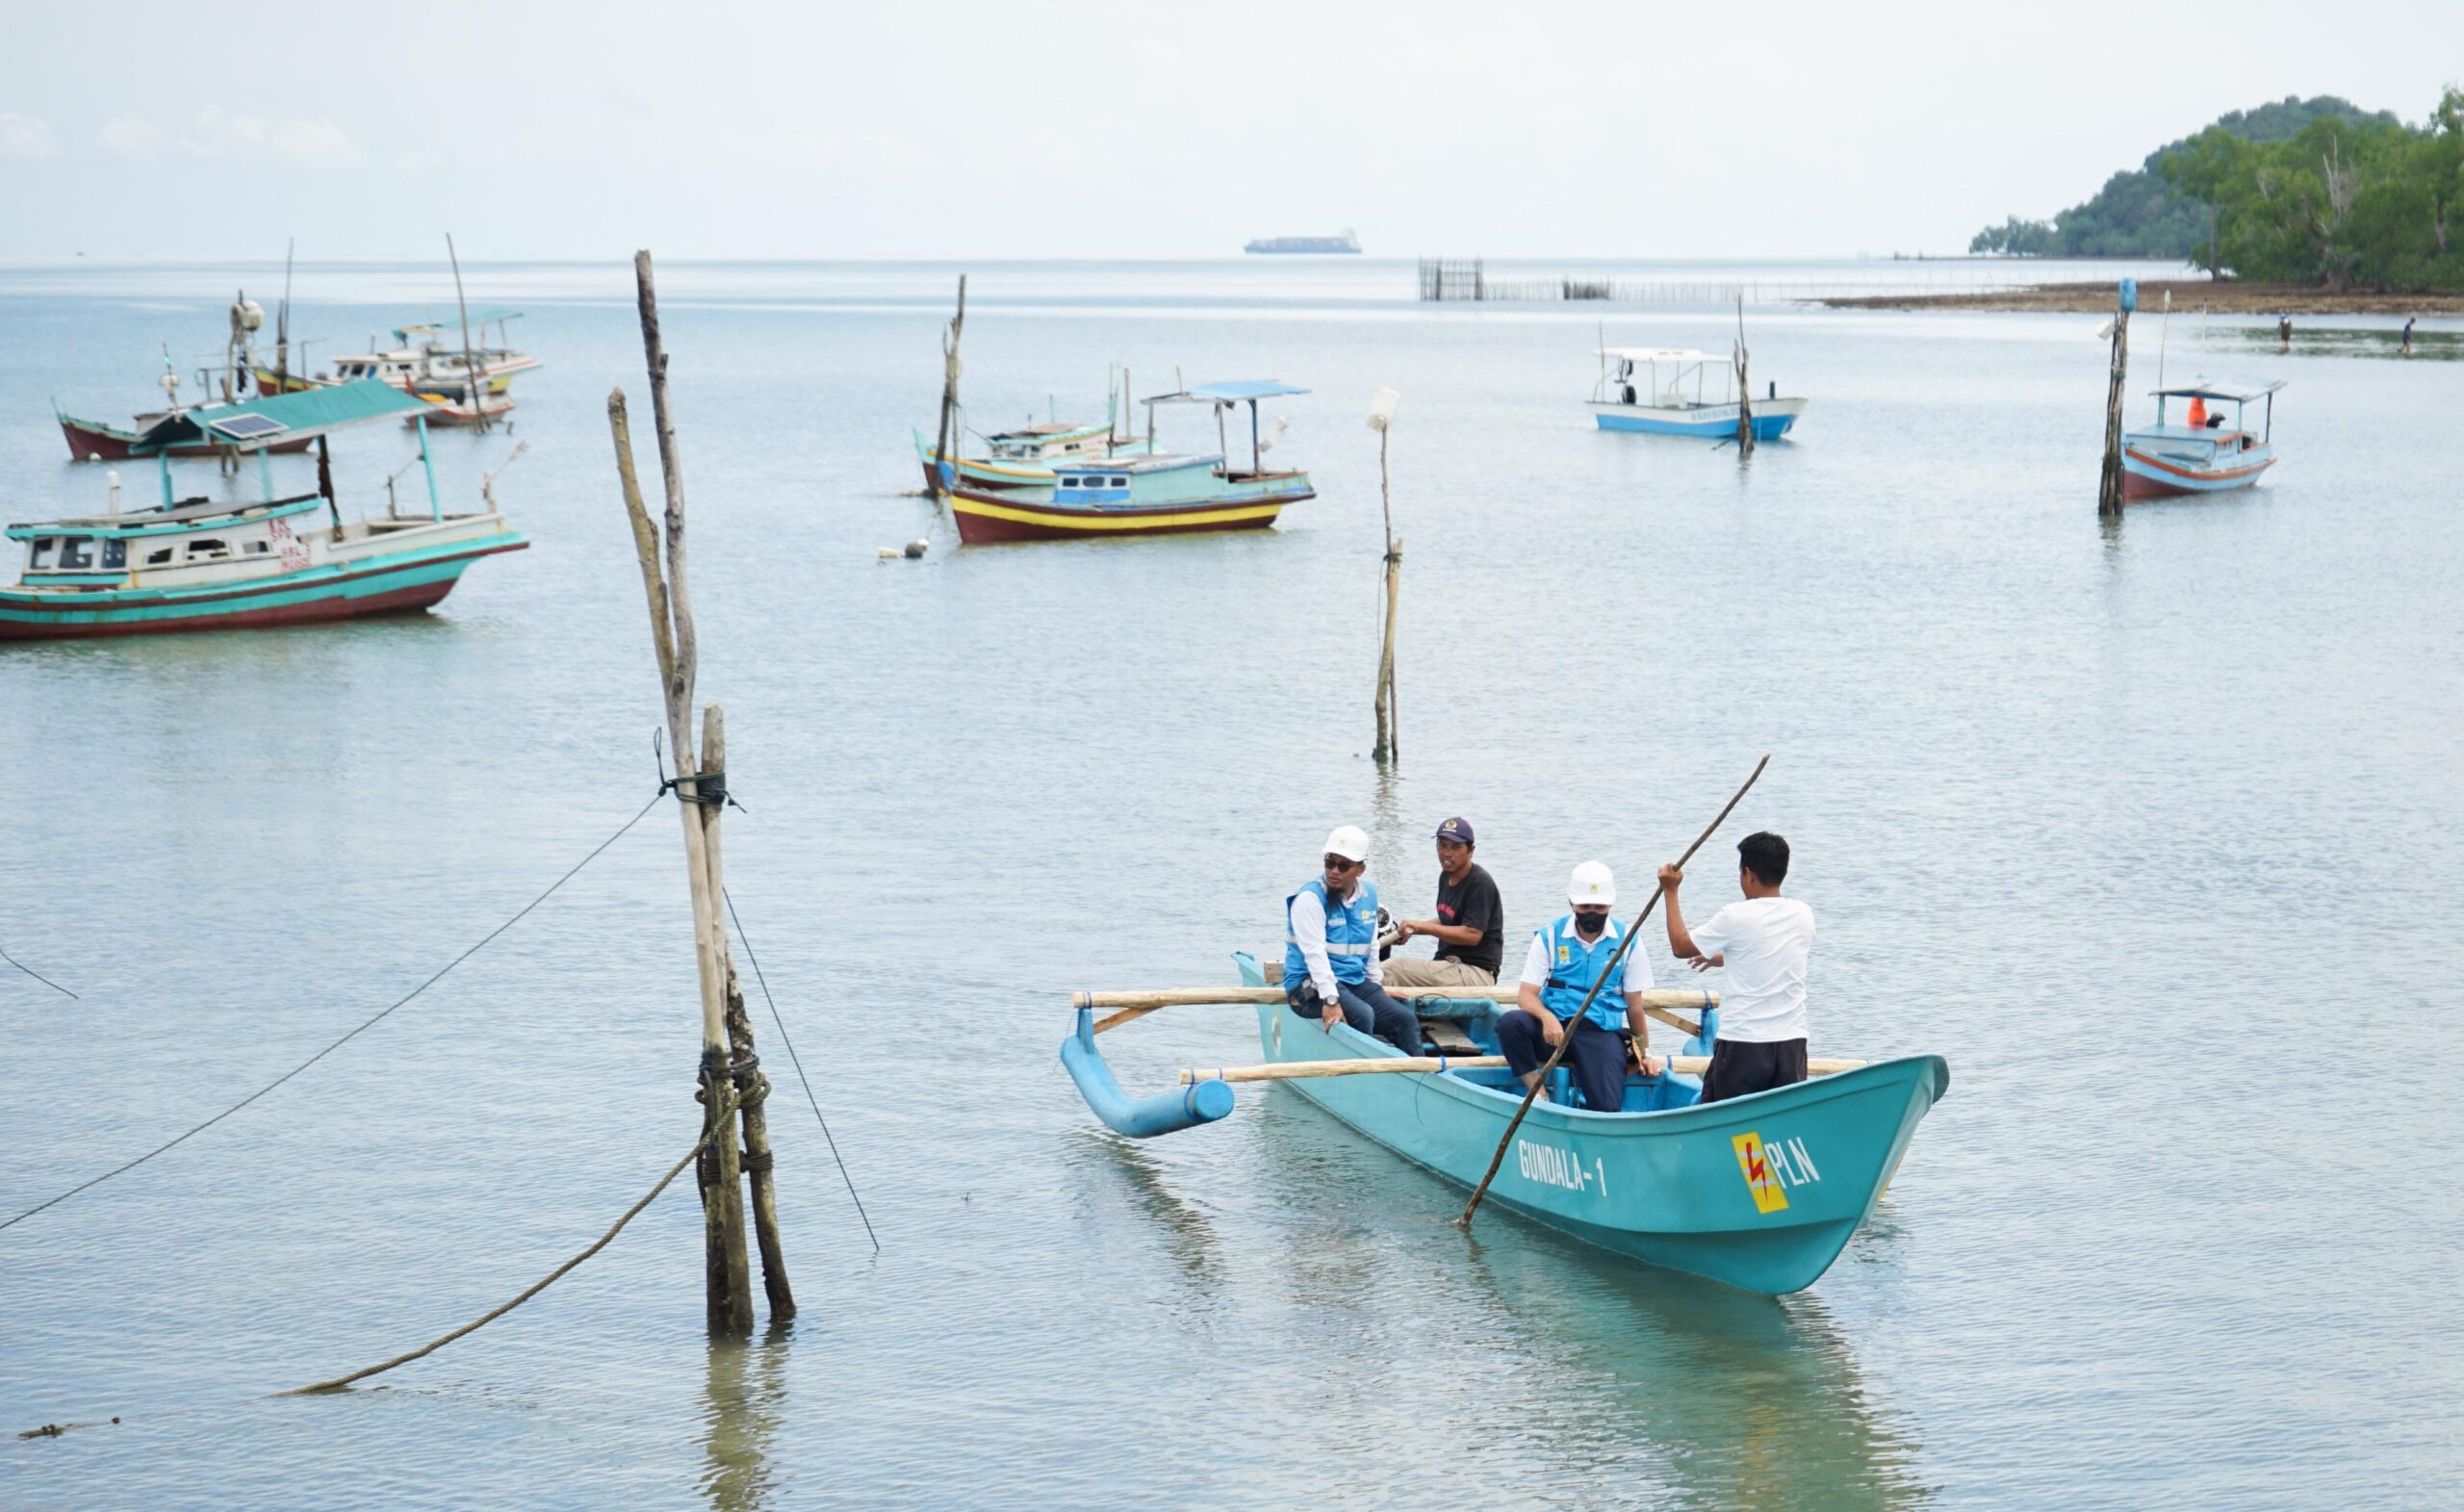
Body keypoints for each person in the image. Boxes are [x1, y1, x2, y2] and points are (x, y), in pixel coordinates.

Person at [1656, 832, 1814, 1105]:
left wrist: (1670, 891)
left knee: (1724, 1119)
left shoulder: (1735, 916)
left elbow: (1681, 947)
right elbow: (1770, 952)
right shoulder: (1803, 914)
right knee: (1780, 1118)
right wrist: (1726, 957)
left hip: (1744, 1045)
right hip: (1791, 1044)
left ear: (1749, 874)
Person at [1497, 862, 1663, 1112]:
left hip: (1599, 1033)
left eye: (1600, 907)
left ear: (1610, 905)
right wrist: (1546, 1017)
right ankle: (1537, 1091)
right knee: (1510, 1024)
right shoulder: (1549, 936)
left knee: (1606, 1107)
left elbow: (1635, 1005)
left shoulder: (1629, 939)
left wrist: (1645, 1054)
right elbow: (1526, 995)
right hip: (1553, 1032)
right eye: (1585, 906)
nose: (1592, 913)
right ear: (1571, 903)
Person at [1283, 825, 1424, 1055]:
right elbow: (1314, 955)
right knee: (1363, 1014)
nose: (1334, 871)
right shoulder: (1310, 899)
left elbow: (1371, 945)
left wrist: (1376, 989)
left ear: (1361, 869)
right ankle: (1364, 1072)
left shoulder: (1368, 894)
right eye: (1330, 862)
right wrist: (1330, 1001)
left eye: (1344, 865)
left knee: (1405, 1019)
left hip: (1351, 981)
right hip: (1307, 987)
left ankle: (1421, 1077)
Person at [1383, 817, 1505, 990]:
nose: (1447, 853)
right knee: (1384, 967)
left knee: (1392, 969)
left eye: (1456, 847)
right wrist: (1411, 930)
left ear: (1471, 850)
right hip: (1448, 965)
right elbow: (1448, 919)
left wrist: (1422, 927)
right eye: (1442, 845)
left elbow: (1472, 935)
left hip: (1475, 973)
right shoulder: (1446, 875)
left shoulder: (1480, 883)